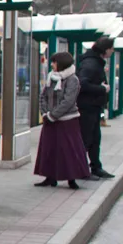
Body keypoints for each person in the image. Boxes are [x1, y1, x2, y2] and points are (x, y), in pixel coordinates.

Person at [34, 52, 88, 190]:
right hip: (50, 119)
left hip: (67, 121)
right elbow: (43, 96)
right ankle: (50, 177)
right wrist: (45, 113)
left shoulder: (72, 79)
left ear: (61, 63)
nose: (52, 64)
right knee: (49, 149)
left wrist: (53, 115)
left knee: (68, 149)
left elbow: (68, 101)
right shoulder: (52, 77)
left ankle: (71, 178)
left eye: (54, 62)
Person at [77, 37, 116, 179]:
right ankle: (80, 169)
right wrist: (102, 89)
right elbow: (82, 84)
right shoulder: (91, 64)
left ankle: (95, 167)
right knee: (86, 139)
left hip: (93, 107)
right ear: (105, 49)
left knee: (94, 139)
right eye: (112, 48)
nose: (113, 51)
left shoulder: (95, 62)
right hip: (87, 108)